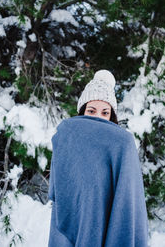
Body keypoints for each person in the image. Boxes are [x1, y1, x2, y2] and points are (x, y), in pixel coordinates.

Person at [48, 70, 149, 247]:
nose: (97, 118)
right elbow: (60, 192)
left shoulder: (121, 143)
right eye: (91, 110)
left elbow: (128, 199)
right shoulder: (67, 138)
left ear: (112, 117)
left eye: (105, 113)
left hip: (106, 224)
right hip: (75, 226)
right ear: (82, 111)